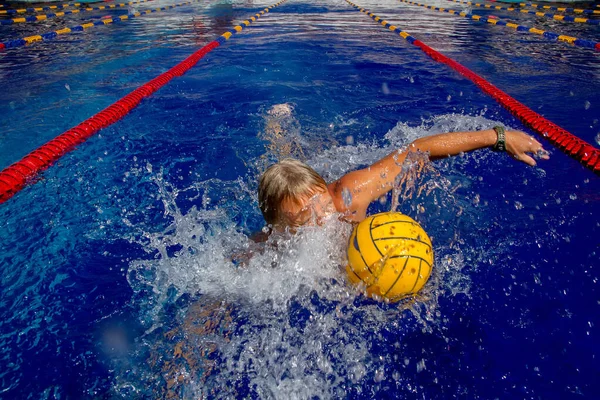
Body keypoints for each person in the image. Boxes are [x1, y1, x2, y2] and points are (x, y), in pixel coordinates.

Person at [258, 126, 549, 233]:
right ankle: (278, 135)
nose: (322, 217)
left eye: (320, 203)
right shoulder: (273, 242)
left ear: (325, 190)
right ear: (279, 225)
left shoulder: (350, 194)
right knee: (283, 159)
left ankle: (281, 132)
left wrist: (496, 137)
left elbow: (416, 151)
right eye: (305, 218)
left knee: (294, 160)